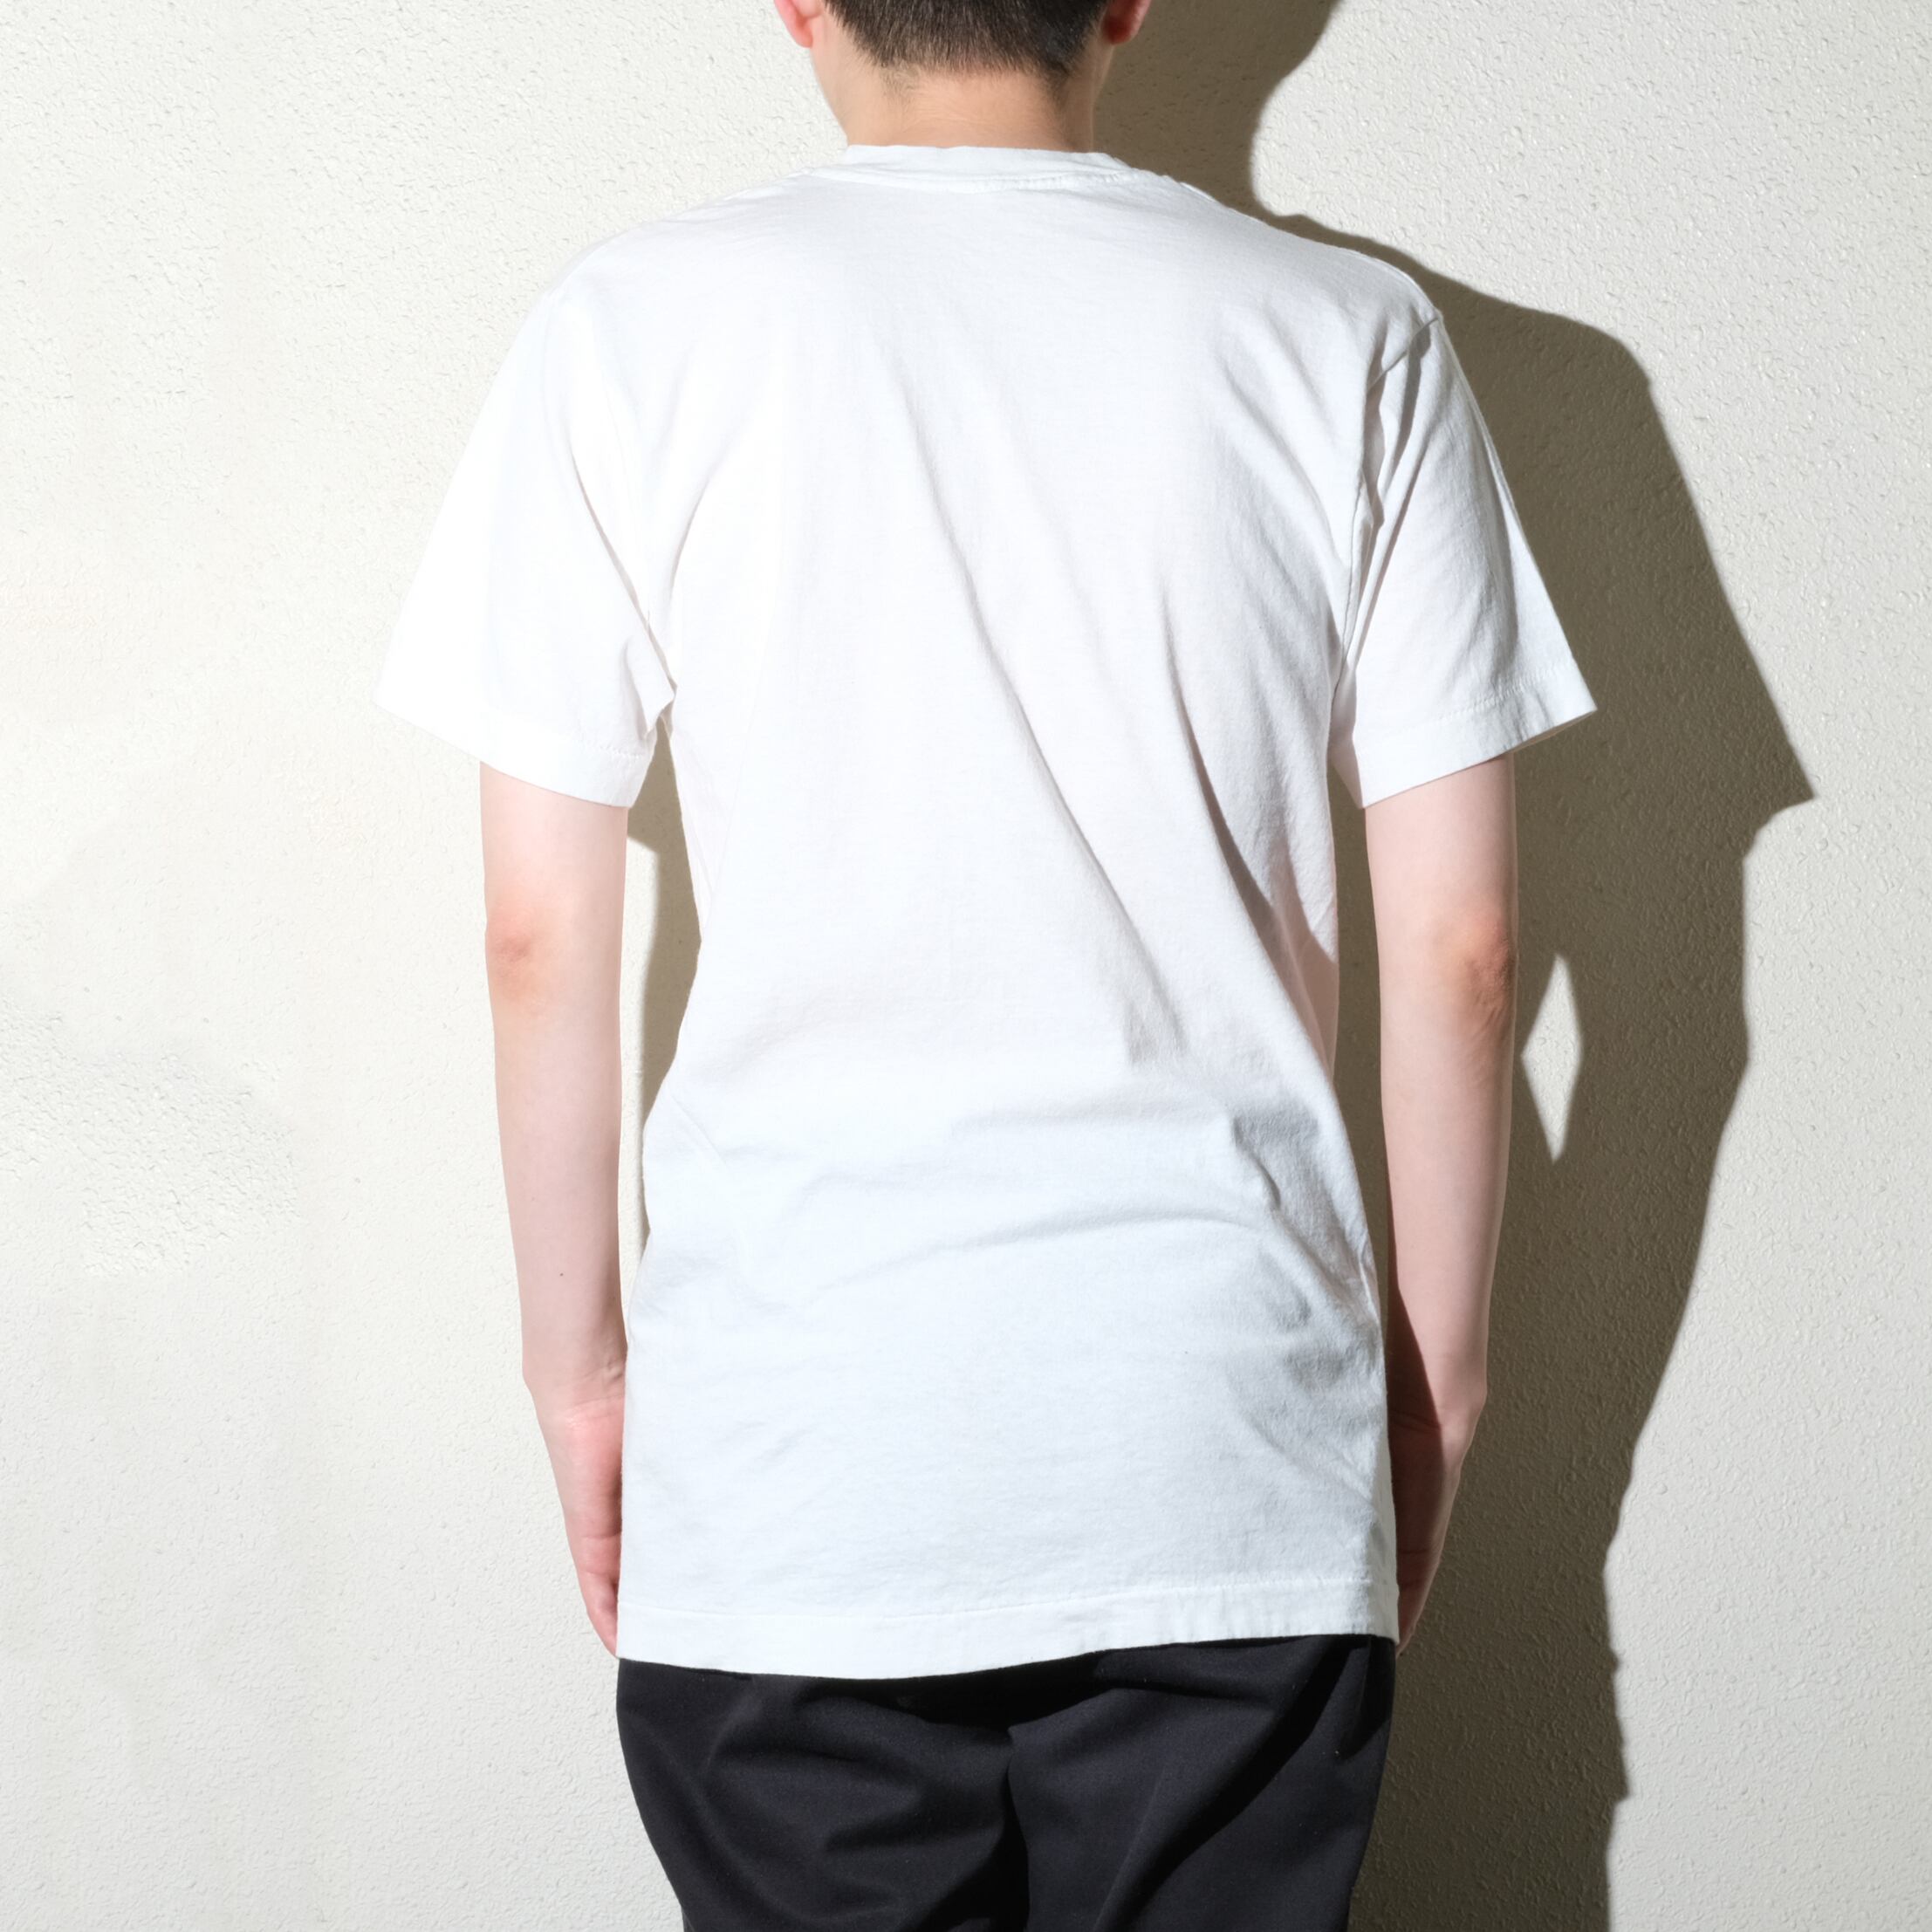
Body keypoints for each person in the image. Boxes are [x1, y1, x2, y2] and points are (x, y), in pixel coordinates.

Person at [373, 0, 1598, 1921]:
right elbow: (1464, 947)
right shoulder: (1349, 335)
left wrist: (582, 1379)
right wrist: (1428, 1393)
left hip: (793, 1453)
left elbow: (539, 928)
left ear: (799, 2)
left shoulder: (631, 326)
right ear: (1125, 3)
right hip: (1221, 1433)